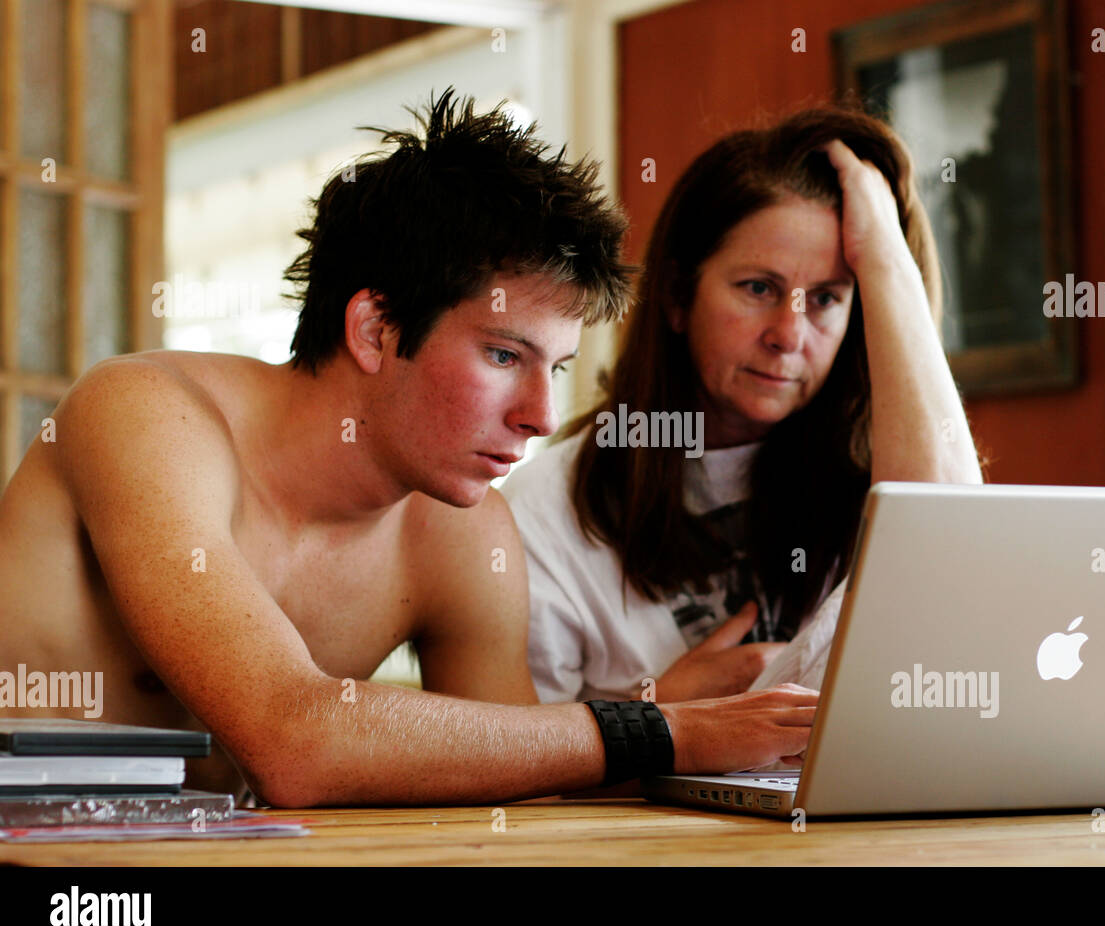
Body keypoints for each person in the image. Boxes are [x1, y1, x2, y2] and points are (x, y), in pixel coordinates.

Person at [0, 89, 819, 807]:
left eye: (557, 369)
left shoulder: (460, 532)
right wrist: (653, 730)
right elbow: (295, 741)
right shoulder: (146, 415)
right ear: (375, 328)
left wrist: (661, 714)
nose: (540, 415)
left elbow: (522, 773)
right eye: (504, 356)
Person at [504, 104, 985, 705]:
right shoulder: (542, 515)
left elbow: (951, 553)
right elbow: (513, 779)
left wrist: (887, 256)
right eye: (759, 288)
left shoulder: (882, 475)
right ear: (678, 297)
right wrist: (653, 723)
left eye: (828, 299)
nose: (788, 333)